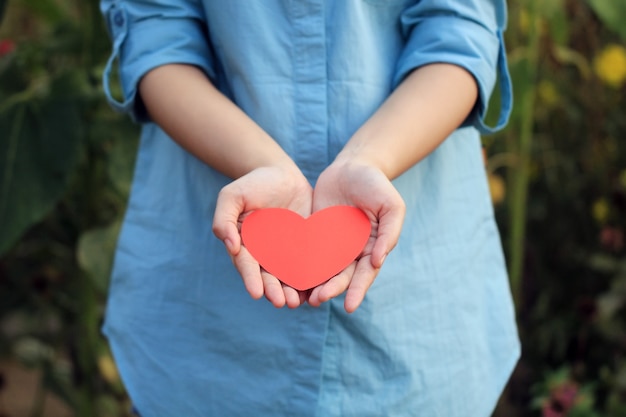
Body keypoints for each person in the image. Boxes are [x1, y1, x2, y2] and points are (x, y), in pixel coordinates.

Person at [100, 1, 520, 416]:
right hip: (204, 347)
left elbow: (458, 31)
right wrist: (259, 162)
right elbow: (158, 39)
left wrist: (369, 160)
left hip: (418, 332)